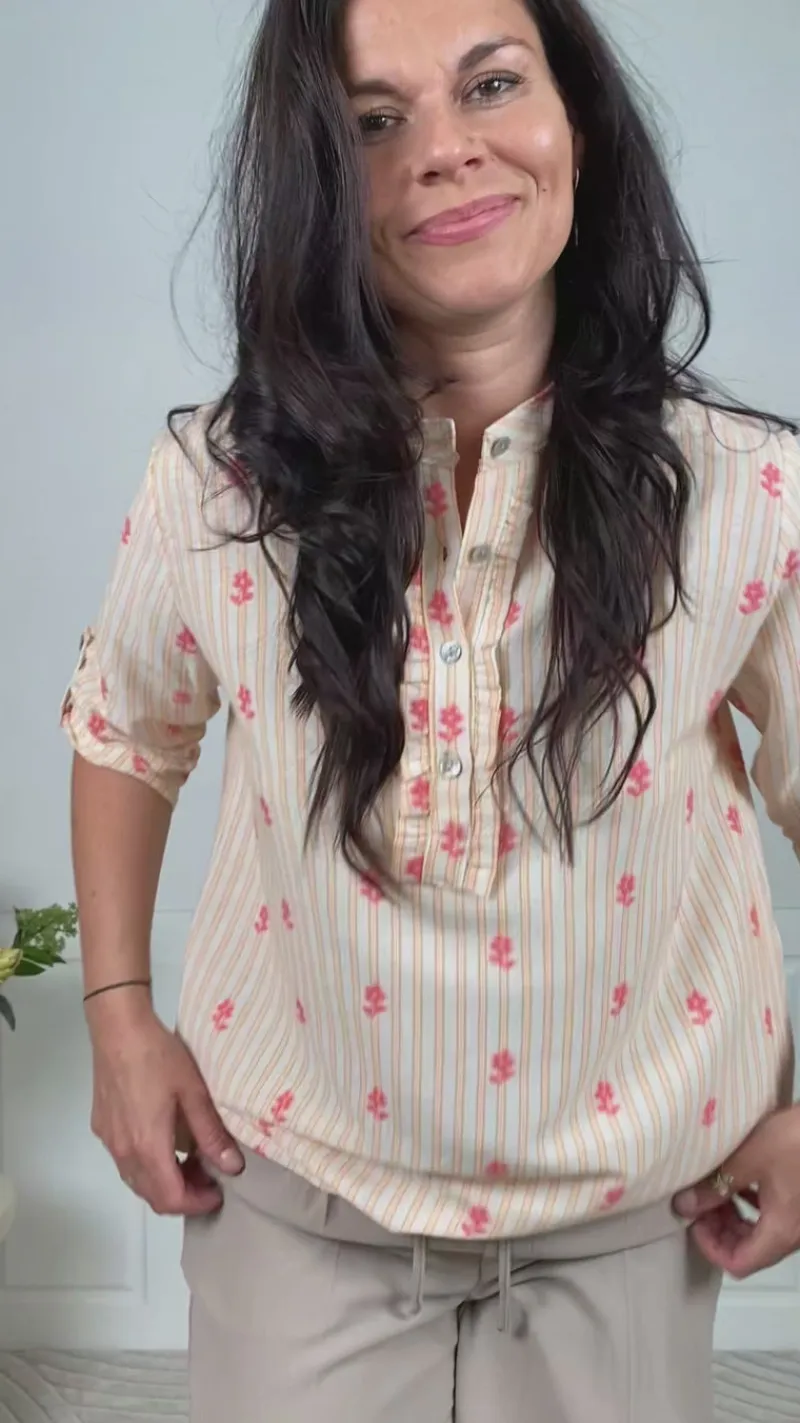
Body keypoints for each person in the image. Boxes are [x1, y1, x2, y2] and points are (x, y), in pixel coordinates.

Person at [64, 0, 800, 1418]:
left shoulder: (748, 494)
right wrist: (117, 1018)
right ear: (316, 185)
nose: (447, 150)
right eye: (374, 121)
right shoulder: (217, 485)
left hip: (634, 1221)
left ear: (577, 122)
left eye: (493, 86)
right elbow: (125, 729)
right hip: (293, 1196)